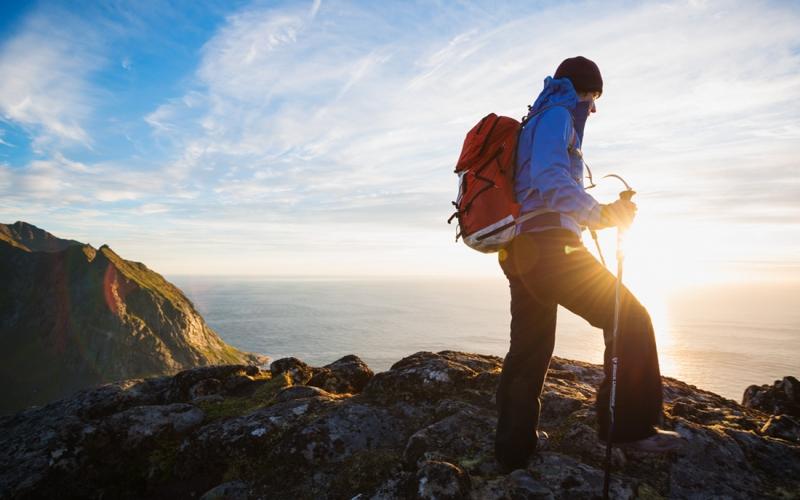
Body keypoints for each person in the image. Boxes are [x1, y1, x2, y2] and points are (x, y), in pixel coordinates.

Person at [494, 56, 683, 471]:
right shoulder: (559, 113)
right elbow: (550, 179)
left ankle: (512, 449)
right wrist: (603, 215)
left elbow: (541, 183)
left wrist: (600, 212)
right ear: (581, 90)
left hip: (523, 247)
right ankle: (631, 429)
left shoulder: (538, 116)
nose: (593, 108)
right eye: (593, 96)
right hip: (550, 247)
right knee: (629, 317)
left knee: (529, 348)